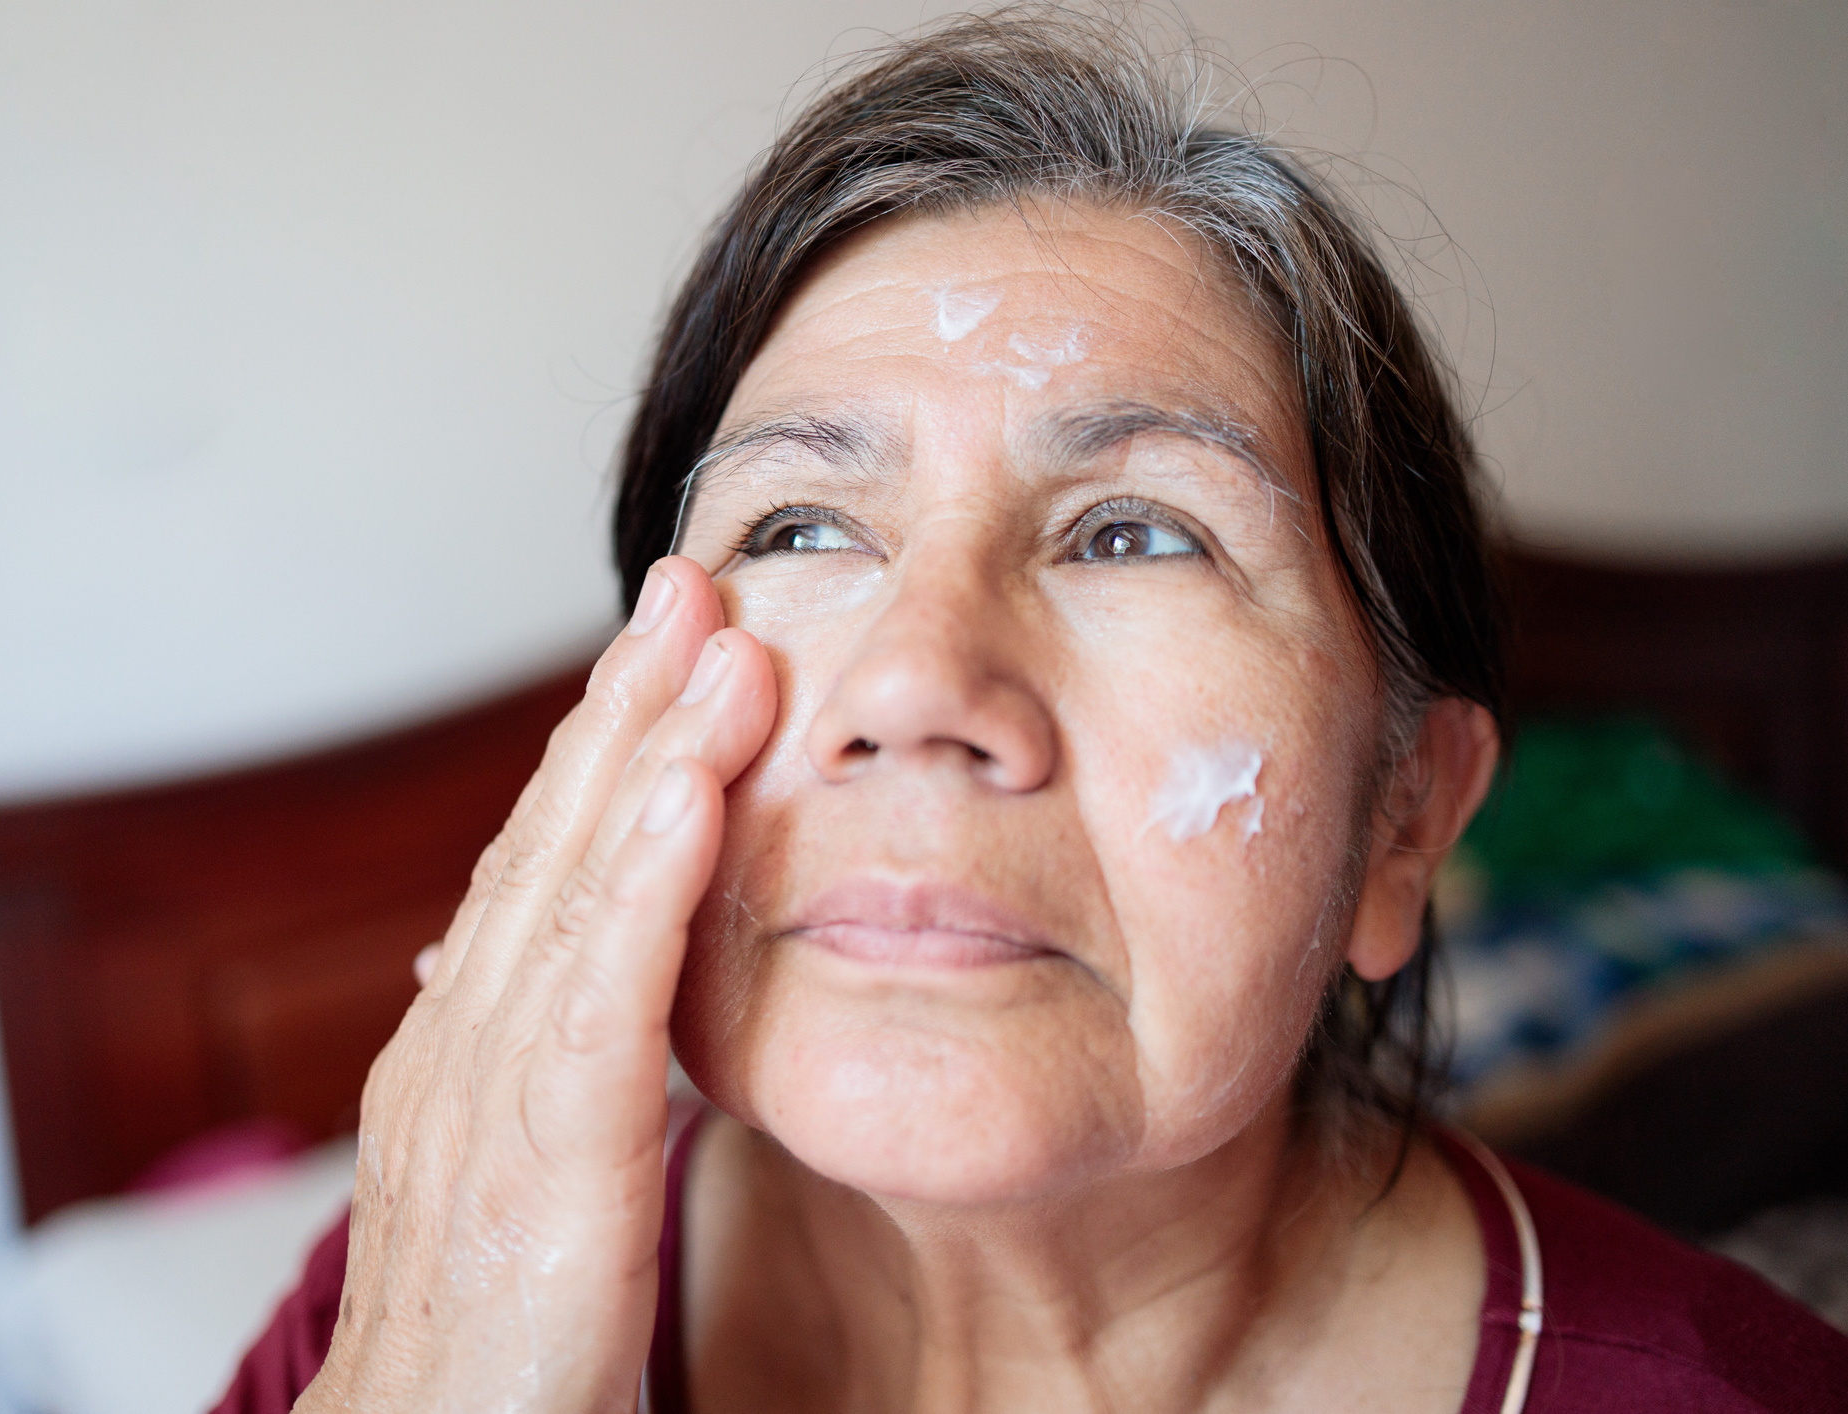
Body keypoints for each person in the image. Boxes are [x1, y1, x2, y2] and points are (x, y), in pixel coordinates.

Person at [215, 10, 1848, 1412]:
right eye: (799, 528)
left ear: (1401, 816)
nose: (919, 686)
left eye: (1134, 533)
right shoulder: (428, 1279)